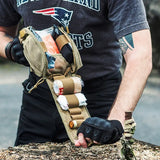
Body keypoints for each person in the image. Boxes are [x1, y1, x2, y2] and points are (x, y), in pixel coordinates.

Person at [0, 0, 152, 148]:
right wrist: (10, 49)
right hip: (39, 95)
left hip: (98, 100)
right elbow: (2, 31)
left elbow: (140, 55)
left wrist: (116, 121)